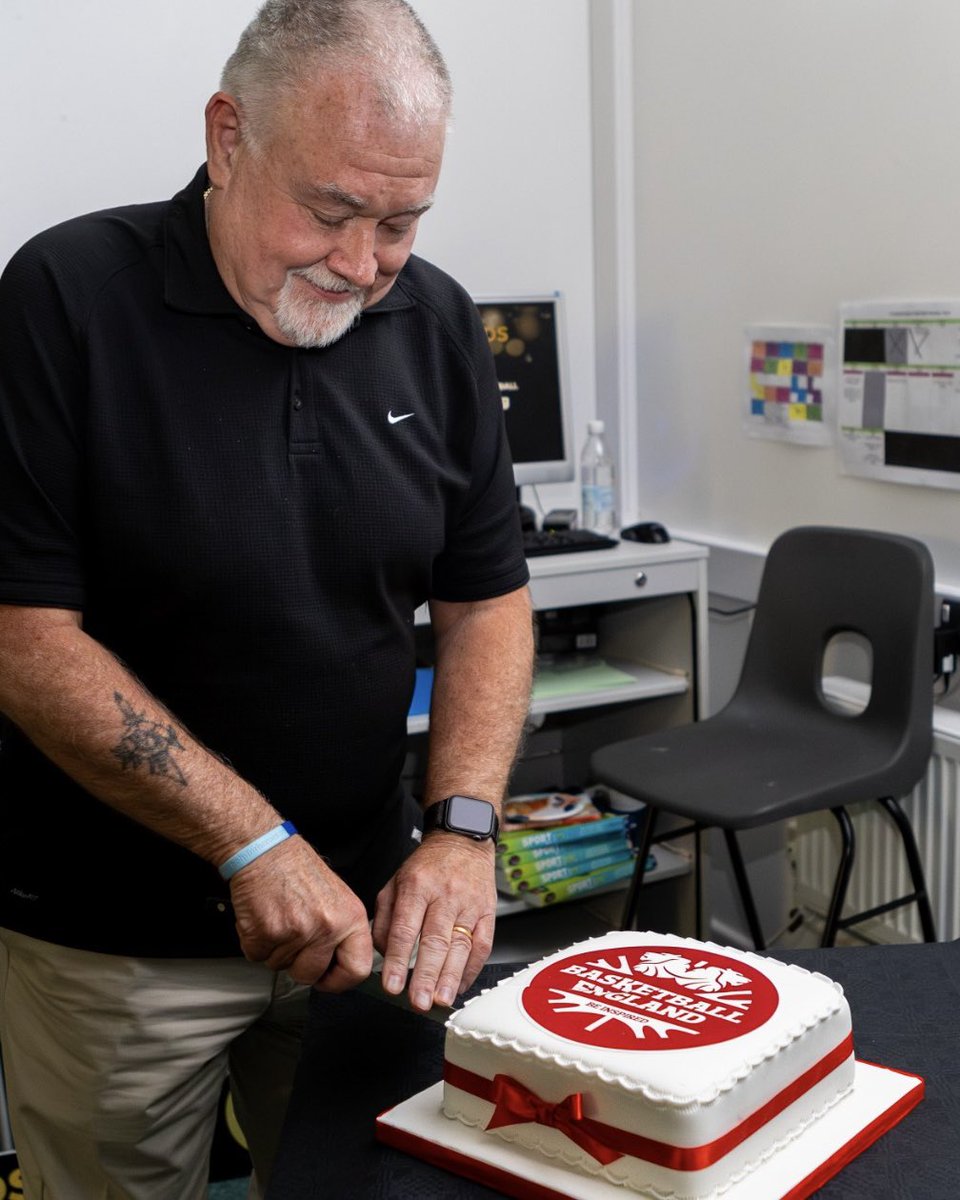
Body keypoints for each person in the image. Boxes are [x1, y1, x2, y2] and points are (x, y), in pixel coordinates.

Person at [0, 0, 534, 1196]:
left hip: (367, 919)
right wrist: (250, 840)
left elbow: (487, 598)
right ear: (228, 137)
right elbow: (23, 636)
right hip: (115, 945)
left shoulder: (435, 317)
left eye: (400, 221)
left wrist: (459, 829)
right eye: (333, 210)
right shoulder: (65, 296)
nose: (362, 264)